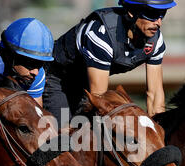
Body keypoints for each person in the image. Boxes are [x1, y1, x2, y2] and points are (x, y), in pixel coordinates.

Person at [43, 0, 176, 127]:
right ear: (131, 13)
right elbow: (99, 99)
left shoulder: (156, 40)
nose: (158, 22)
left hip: (85, 82)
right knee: (68, 140)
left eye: (162, 14)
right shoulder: (101, 34)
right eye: (152, 14)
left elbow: (154, 95)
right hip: (58, 80)